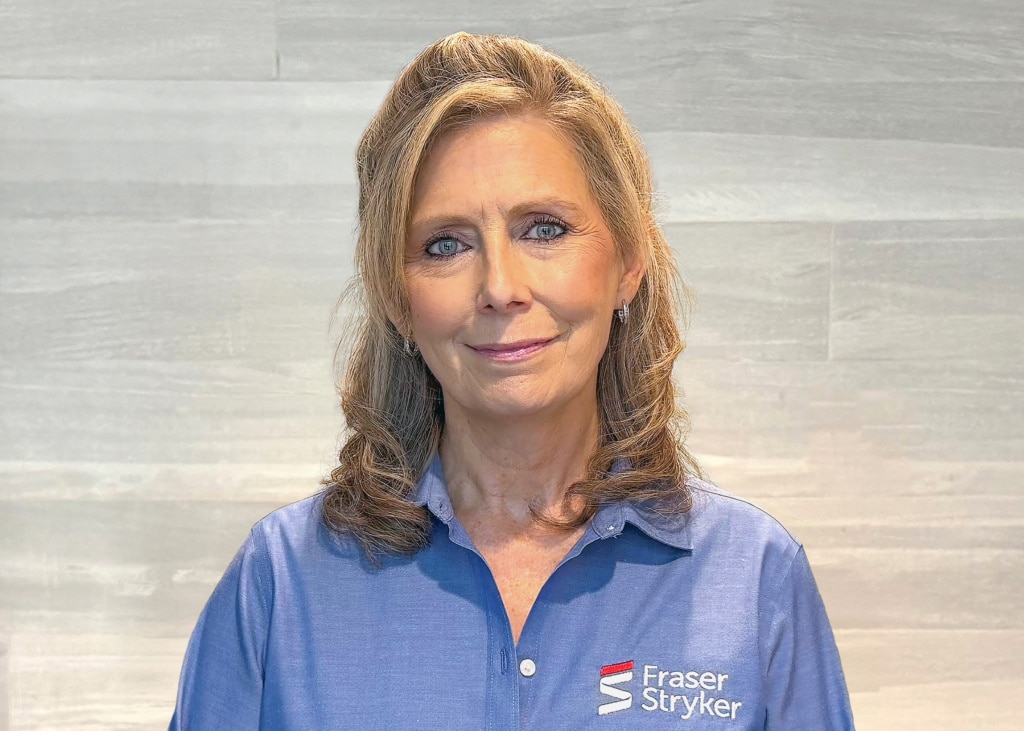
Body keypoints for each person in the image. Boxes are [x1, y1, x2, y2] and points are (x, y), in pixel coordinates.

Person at [170, 32, 854, 729]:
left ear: (627, 262)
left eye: (544, 229)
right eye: (446, 244)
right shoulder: (280, 585)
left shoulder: (753, 580)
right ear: (398, 298)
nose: (500, 286)